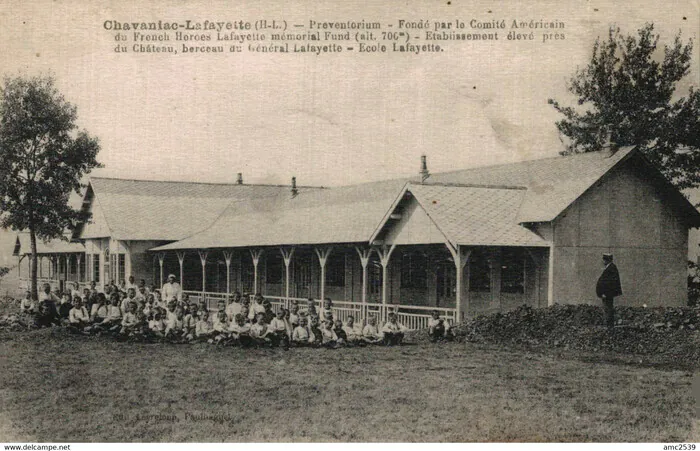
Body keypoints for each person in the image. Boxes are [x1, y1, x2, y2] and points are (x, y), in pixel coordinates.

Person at [596, 253, 623, 331]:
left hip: (607, 294)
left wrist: (605, 293)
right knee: (607, 308)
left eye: (604, 259)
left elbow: (610, 283)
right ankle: (609, 325)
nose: (603, 261)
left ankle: (609, 325)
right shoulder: (610, 267)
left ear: (607, 260)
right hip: (606, 294)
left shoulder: (611, 268)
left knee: (608, 308)